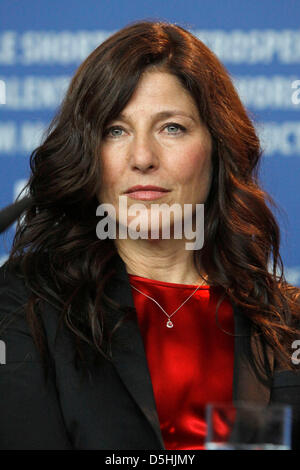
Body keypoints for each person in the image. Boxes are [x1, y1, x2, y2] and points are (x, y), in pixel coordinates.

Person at [0, 20, 300, 451]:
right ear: (87, 153)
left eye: (171, 128)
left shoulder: (284, 322)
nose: (142, 157)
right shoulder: (24, 306)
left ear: (218, 147)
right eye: (115, 130)